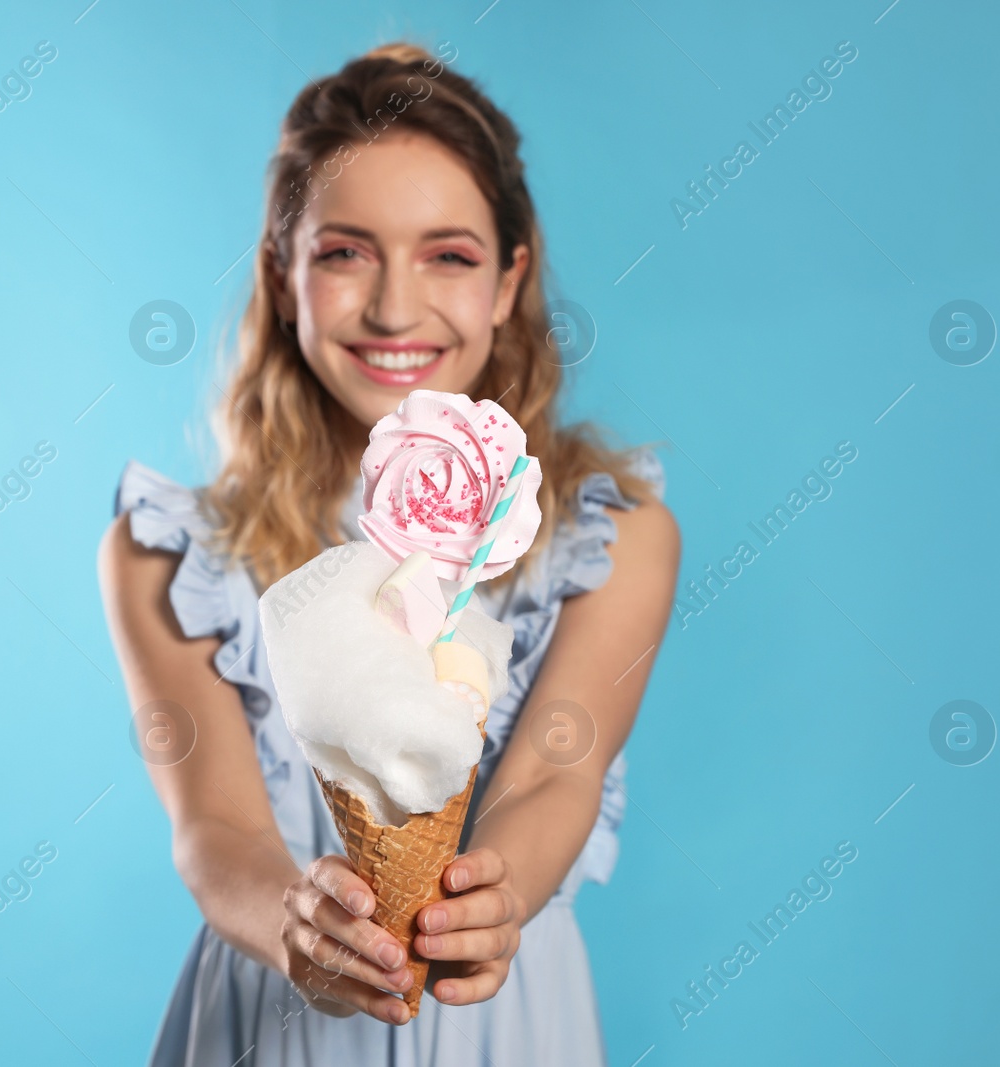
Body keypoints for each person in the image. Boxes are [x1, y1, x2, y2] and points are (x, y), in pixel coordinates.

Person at [98, 41, 681, 1066]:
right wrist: (294, 919)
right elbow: (216, 829)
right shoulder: (171, 559)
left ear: (510, 281)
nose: (395, 308)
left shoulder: (611, 539)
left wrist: (491, 889)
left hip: (507, 1019)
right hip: (267, 1015)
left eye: (448, 255)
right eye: (343, 252)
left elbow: (558, 769)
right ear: (282, 277)